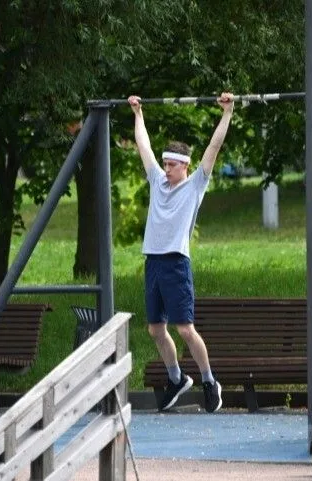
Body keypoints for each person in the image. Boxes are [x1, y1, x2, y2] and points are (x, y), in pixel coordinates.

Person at [128, 92, 235, 413]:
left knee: (185, 328)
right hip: (153, 262)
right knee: (155, 329)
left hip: (176, 263)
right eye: (165, 164)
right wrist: (138, 114)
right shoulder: (157, 181)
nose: (166, 169)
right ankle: (176, 379)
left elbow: (213, 149)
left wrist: (227, 113)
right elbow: (143, 146)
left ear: (186, 166)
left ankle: (208, 380)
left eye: (172, 165)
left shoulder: (195, 185)